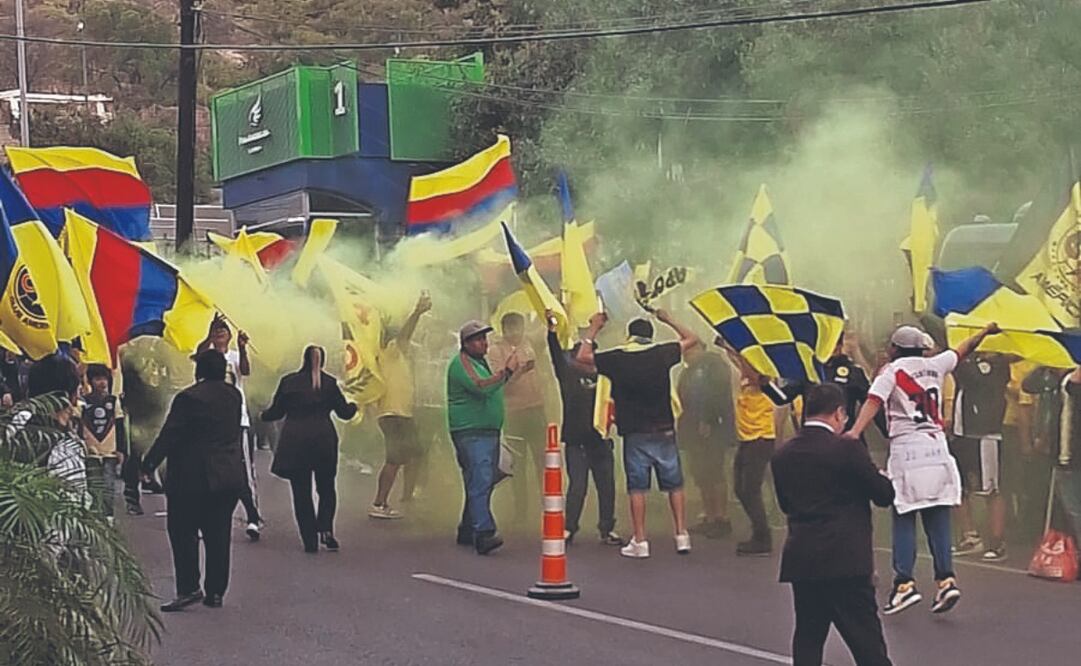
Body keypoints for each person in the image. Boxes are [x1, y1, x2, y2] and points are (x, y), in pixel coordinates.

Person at [845, 323, 1000, 616]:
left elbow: (873, 401)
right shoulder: (935, 365)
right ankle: (946, 579)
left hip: (908, 451)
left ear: (894, 348)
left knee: (904, 514)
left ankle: (904, 583)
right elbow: (962, 350)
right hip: (939, 450)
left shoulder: (890, 372)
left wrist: (853, 433)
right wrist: (985, 331)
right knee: (938, 513)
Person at [772, 383, 895, 666]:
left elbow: (785, 505)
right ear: (839, 413)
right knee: (867, 645)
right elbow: (884, 495)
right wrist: (880, 474)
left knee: (808, 638)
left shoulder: (783, 455)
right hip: (845, 560)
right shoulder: (847, 449)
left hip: (803, 558)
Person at [576, 310, 699, 559]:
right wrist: (670, 318)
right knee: (674, 484)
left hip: (635, 432)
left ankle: (640, 540)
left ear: (629, 336)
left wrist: (594, 328)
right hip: (664, 429)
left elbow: (583, 356)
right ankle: (681, 534)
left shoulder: (618, 358)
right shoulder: (662, 353)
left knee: (638, 488)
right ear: (651, 335)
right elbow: (692, 339)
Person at [142, 350, 248, 611]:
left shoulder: (188, 398)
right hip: (226, 474)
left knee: (183, 532)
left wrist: (149, 463)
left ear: (199, 370)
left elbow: (170, 435)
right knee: (219, 535)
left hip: (191, 476)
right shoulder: (233, 395)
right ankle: (215, 592)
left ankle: (189, 587)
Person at [264, 346, 357, 553]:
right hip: (324, 440)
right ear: (322, 361)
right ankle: (326, 529)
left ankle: (309, 540)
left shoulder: (288, 382)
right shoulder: (330, 384)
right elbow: (344, 413)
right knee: (326, 488)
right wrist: (354, 406)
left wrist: (263, 415)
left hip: (295, 441)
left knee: (301, 492)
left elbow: (275, 412)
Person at [543, 309, 620, 546]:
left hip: (601, 440)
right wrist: (552, 330)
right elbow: (556, 355)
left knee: (606, 486)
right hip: (576, 440)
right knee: (578, 485)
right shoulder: (569, 376)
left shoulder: (606, 378)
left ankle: (606, 529)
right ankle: (569, 528)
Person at [447, 320, 521, 555]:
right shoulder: (462, 363)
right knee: (481, 478)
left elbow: (492, 386)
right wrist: (506, 371)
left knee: (480, 480)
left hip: (486, 431)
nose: (483, 343)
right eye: (478, 339)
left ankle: (468, 528)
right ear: (466, 343)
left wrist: (509, 374)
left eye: (484, 339)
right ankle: (484, 533)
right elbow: (481, 387)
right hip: (471, 431)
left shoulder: (479, 363)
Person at [196, 315, 262, 541]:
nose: (219, 334)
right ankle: (208, 519)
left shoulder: (233, 357)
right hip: (209, 423)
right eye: (216, 331)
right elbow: (199, 354)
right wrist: (208, 331)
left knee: (243, 470)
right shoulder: (206, 357)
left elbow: (245, 370)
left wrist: (243, 348)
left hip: (237, 422)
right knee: (209, 469)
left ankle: (253, 516)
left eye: (223, 330)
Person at [370, 293, 431, 519]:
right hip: (393, 414)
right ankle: (379, 503)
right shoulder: (388, 352)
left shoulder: (395, 356)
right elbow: (405, 334)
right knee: (394, 459)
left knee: (415, 454)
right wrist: (417, 312)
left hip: (402, 414)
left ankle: (407, 496)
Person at [946, 352, 1012, 561]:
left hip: (986, 436)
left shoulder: (997, 364)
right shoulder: (967, 361)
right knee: (959, 487)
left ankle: (997, 541)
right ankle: (971, 537)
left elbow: (969, 375)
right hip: (961, 434)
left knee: (992, 489)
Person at [488, 312, 547, 525]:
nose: (515, 334)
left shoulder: (529, 342)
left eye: (518, 328)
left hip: (536, 410)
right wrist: (520, 372)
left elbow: (548, 332)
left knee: (543, 461)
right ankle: (521, 512)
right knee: (518, 466)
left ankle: (549, 508)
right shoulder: (495, 351)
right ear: (503, 330)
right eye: (510, 329)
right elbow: (499, 387)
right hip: (514, 413)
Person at [676, 339, 735, 538]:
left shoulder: (714, 365)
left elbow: (718, 395)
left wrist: (708, 419)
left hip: (713, 428)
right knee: (701, 473)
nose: (686, 353)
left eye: (690, 349)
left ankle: (721, 517)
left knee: (714, 472)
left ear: (700, 347)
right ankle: (709, 516)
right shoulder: (689, 370)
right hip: (692, 427)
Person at [80, 364, 122, 524]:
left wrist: (121, 449)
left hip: (110, 451)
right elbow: (78, 424)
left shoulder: (113, 401)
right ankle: (95, 515)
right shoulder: (84, 401)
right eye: (98, 379)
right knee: (93, 484)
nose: (102, 383)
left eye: (104, 379)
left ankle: (108, 515)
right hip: (90, 451)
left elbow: (120, 425)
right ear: (90, 381)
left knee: (109, 485)